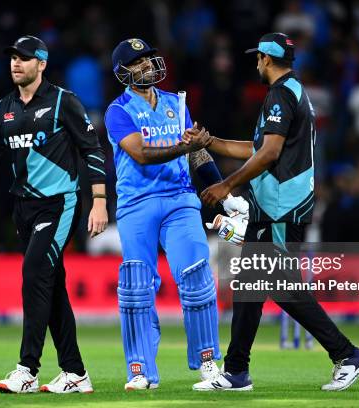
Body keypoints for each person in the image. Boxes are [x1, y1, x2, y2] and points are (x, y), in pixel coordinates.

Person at [192, 33, 359, 392]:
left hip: (280, 208)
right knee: (250, 286)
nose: (255, 64)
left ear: (266, 59)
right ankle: (236, 372)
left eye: (257, 58)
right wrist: (209, 142)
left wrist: (226, 185)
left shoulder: (279, 95)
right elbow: (258, 148)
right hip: (276, 206)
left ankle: (347, 354)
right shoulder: (293, 92)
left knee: (279, 286)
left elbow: (270, 153)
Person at [0, 36, 108, 394]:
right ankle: (76, 374)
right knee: (51, 287)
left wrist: (99, 201)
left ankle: (27, 369)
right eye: (12, 58)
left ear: (42, 64)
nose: (15, 63)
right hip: (22, 207)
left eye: (24, 58)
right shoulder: (3, 108)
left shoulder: (62, 102)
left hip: (60, 204)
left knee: (35, 272)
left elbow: (92, 149)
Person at [104, 38, 248, 390]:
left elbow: (198, 155)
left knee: (197, 278)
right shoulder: (118, 110)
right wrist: (185, 146)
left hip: (180, 201)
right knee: (137, 288)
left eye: (150, 58)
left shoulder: (175, 103)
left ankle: (208, 363)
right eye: (139, 61)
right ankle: (140, 371)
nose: (149, 64)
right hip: (136, 204)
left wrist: (223, 192)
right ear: (124, 71)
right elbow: (141, 153)